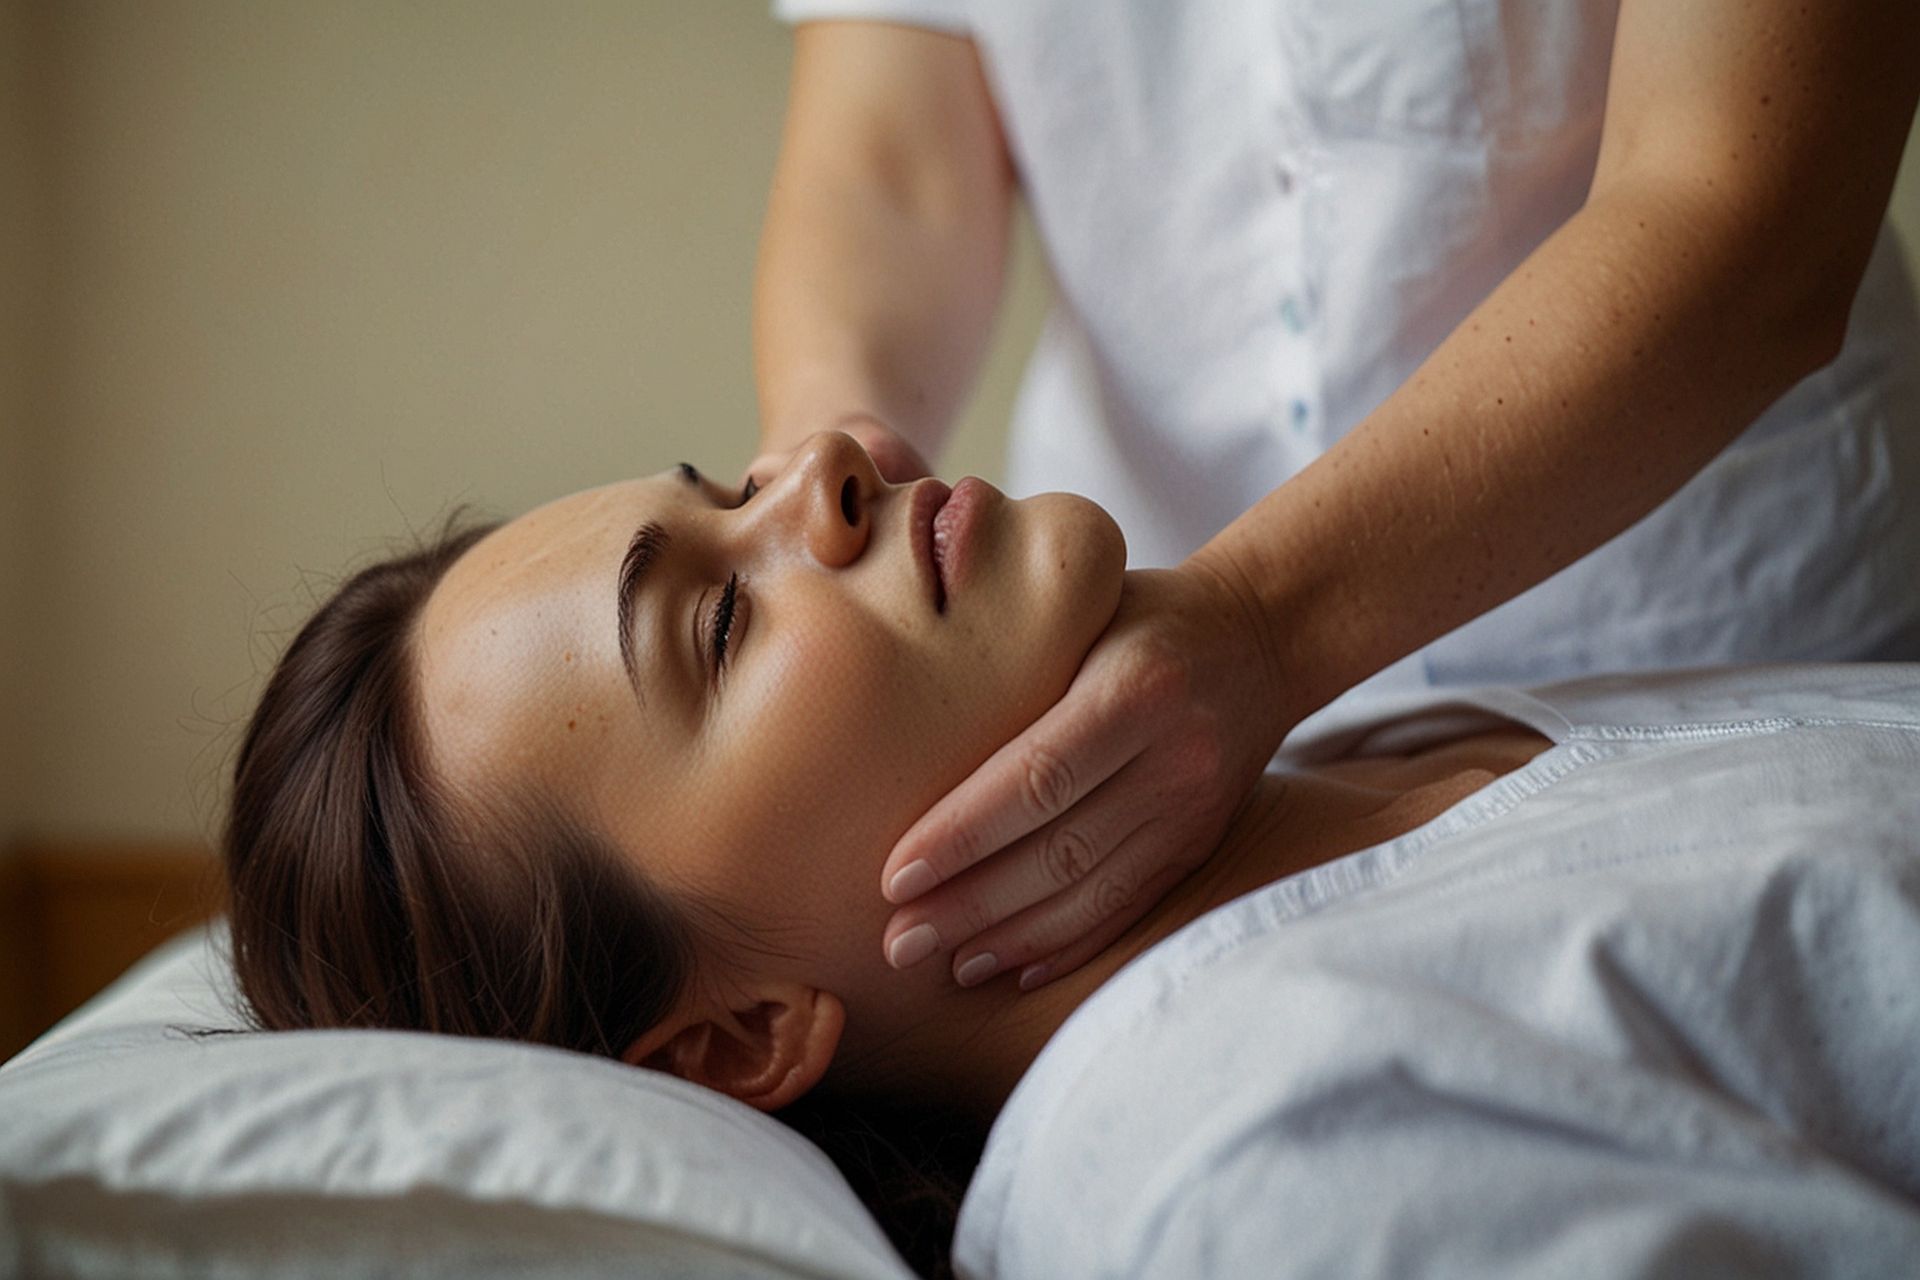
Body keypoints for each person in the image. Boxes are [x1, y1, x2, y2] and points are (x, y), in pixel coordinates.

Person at [225, 433, 1920, 1276]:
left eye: (727, 473)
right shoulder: (1259, 1173)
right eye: (721, 622)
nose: (822, 458)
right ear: (741, 1035)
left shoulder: (1358, 746)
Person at [746, 5, 1920, 997]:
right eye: (721, 610)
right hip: (1133, 715)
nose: (798, 496)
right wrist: (832, 429)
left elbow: (1744, 200)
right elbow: (892, 163)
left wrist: (1266, 622)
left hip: (1725, 630)